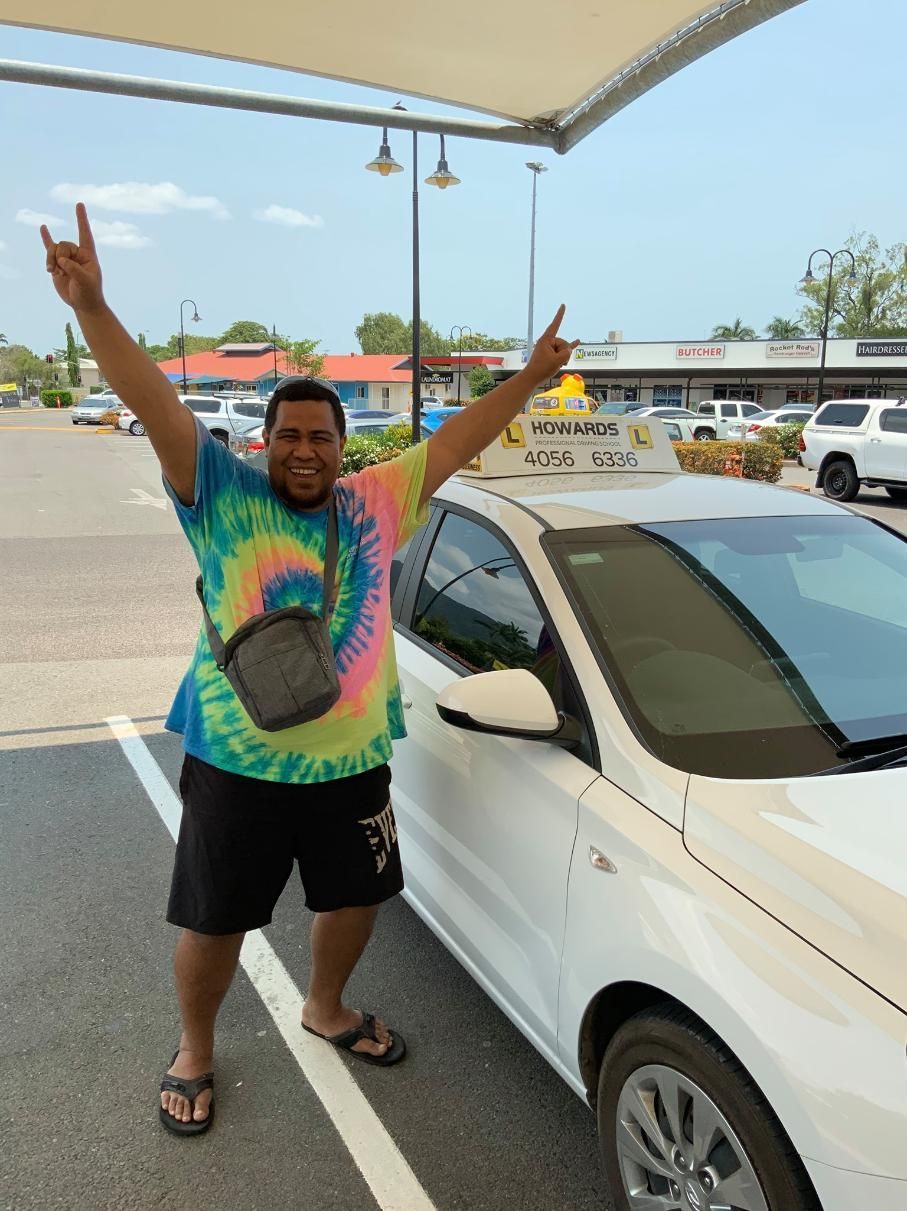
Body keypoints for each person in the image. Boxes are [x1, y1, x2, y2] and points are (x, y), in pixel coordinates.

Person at [40, 203, 578, 1136]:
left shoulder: (376, 500)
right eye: (287, 434)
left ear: (340, 445)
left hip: (353, 758)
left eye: (319, 436)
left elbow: (457, 442)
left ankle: (325, 1005)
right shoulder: (218, 492)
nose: (302, 449)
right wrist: (92, 310)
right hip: (237, 762)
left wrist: (529, 377)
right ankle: (196, 1048)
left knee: (355, 897)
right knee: (215, 922)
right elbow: (153, 402)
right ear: (263, 440)